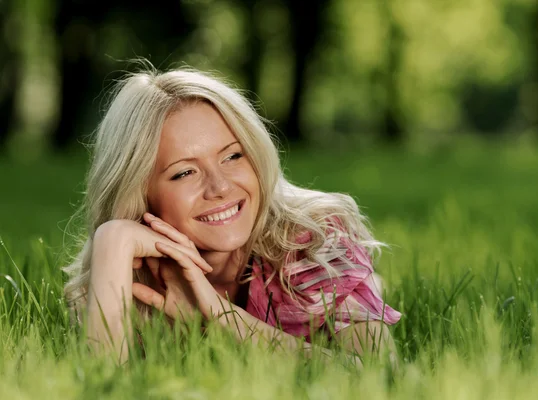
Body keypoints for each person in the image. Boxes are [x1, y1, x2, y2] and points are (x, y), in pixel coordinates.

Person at [62, 60, 402, 365]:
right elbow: (104, 383)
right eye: (184, 172)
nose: (220, 187)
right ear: (139, 192)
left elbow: (379, 374)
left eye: (232, 156)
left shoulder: (313, 239)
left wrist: (217, 313)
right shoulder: (129, 269)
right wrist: (113, 238)